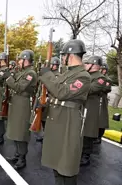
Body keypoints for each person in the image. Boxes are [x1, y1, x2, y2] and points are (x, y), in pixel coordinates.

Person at [39, 39, 91, 185]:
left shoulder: (83, 76)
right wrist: (44, 102)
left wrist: (47, 75)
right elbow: (55, 93)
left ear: (71, 55)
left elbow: (62, 92)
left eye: (63, 56)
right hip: (58, 120)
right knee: (56, 163)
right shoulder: (66, 74)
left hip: (69, 122)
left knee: (67, 166)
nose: (62, 59)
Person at [5, 49, 38, 170]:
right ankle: (17, 153)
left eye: (20, 59)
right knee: (15, 130)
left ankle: (22, 158)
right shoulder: (22, 72)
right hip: (16, 102)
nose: (18, 61)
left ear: (26, 60)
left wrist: (9, 78)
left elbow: (19, 87)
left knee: (21, 131)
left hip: (23, 104)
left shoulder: (31, 74)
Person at [80, 55, 106, 166]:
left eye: (87, 63)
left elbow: (90, 89)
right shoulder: (86, 75)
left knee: (88, 131)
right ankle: (79, 152)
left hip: (91, 107)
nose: (85, 65)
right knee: (80, 130)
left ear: (94, 65)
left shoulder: (101, 78)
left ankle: (86, 156)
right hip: (82, 105)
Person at [36, 57, 61, 142]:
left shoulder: (57, 76)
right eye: (52, 64)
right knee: (43, 118)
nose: (53, 66)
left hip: (51, 99)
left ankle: (49, 137)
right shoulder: (47, 74)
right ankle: (45, 135)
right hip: (43, 97)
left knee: (48, 119)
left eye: (54, 65)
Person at [94, 62, 112, 144]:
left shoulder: (107, 79)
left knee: (102, 119)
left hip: (102, 99)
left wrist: (99, 87)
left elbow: (107, 88)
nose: (103, 71)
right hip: (96, 99)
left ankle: (99, 137)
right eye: (102, 69)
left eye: (104, 69)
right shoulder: (97, 77)